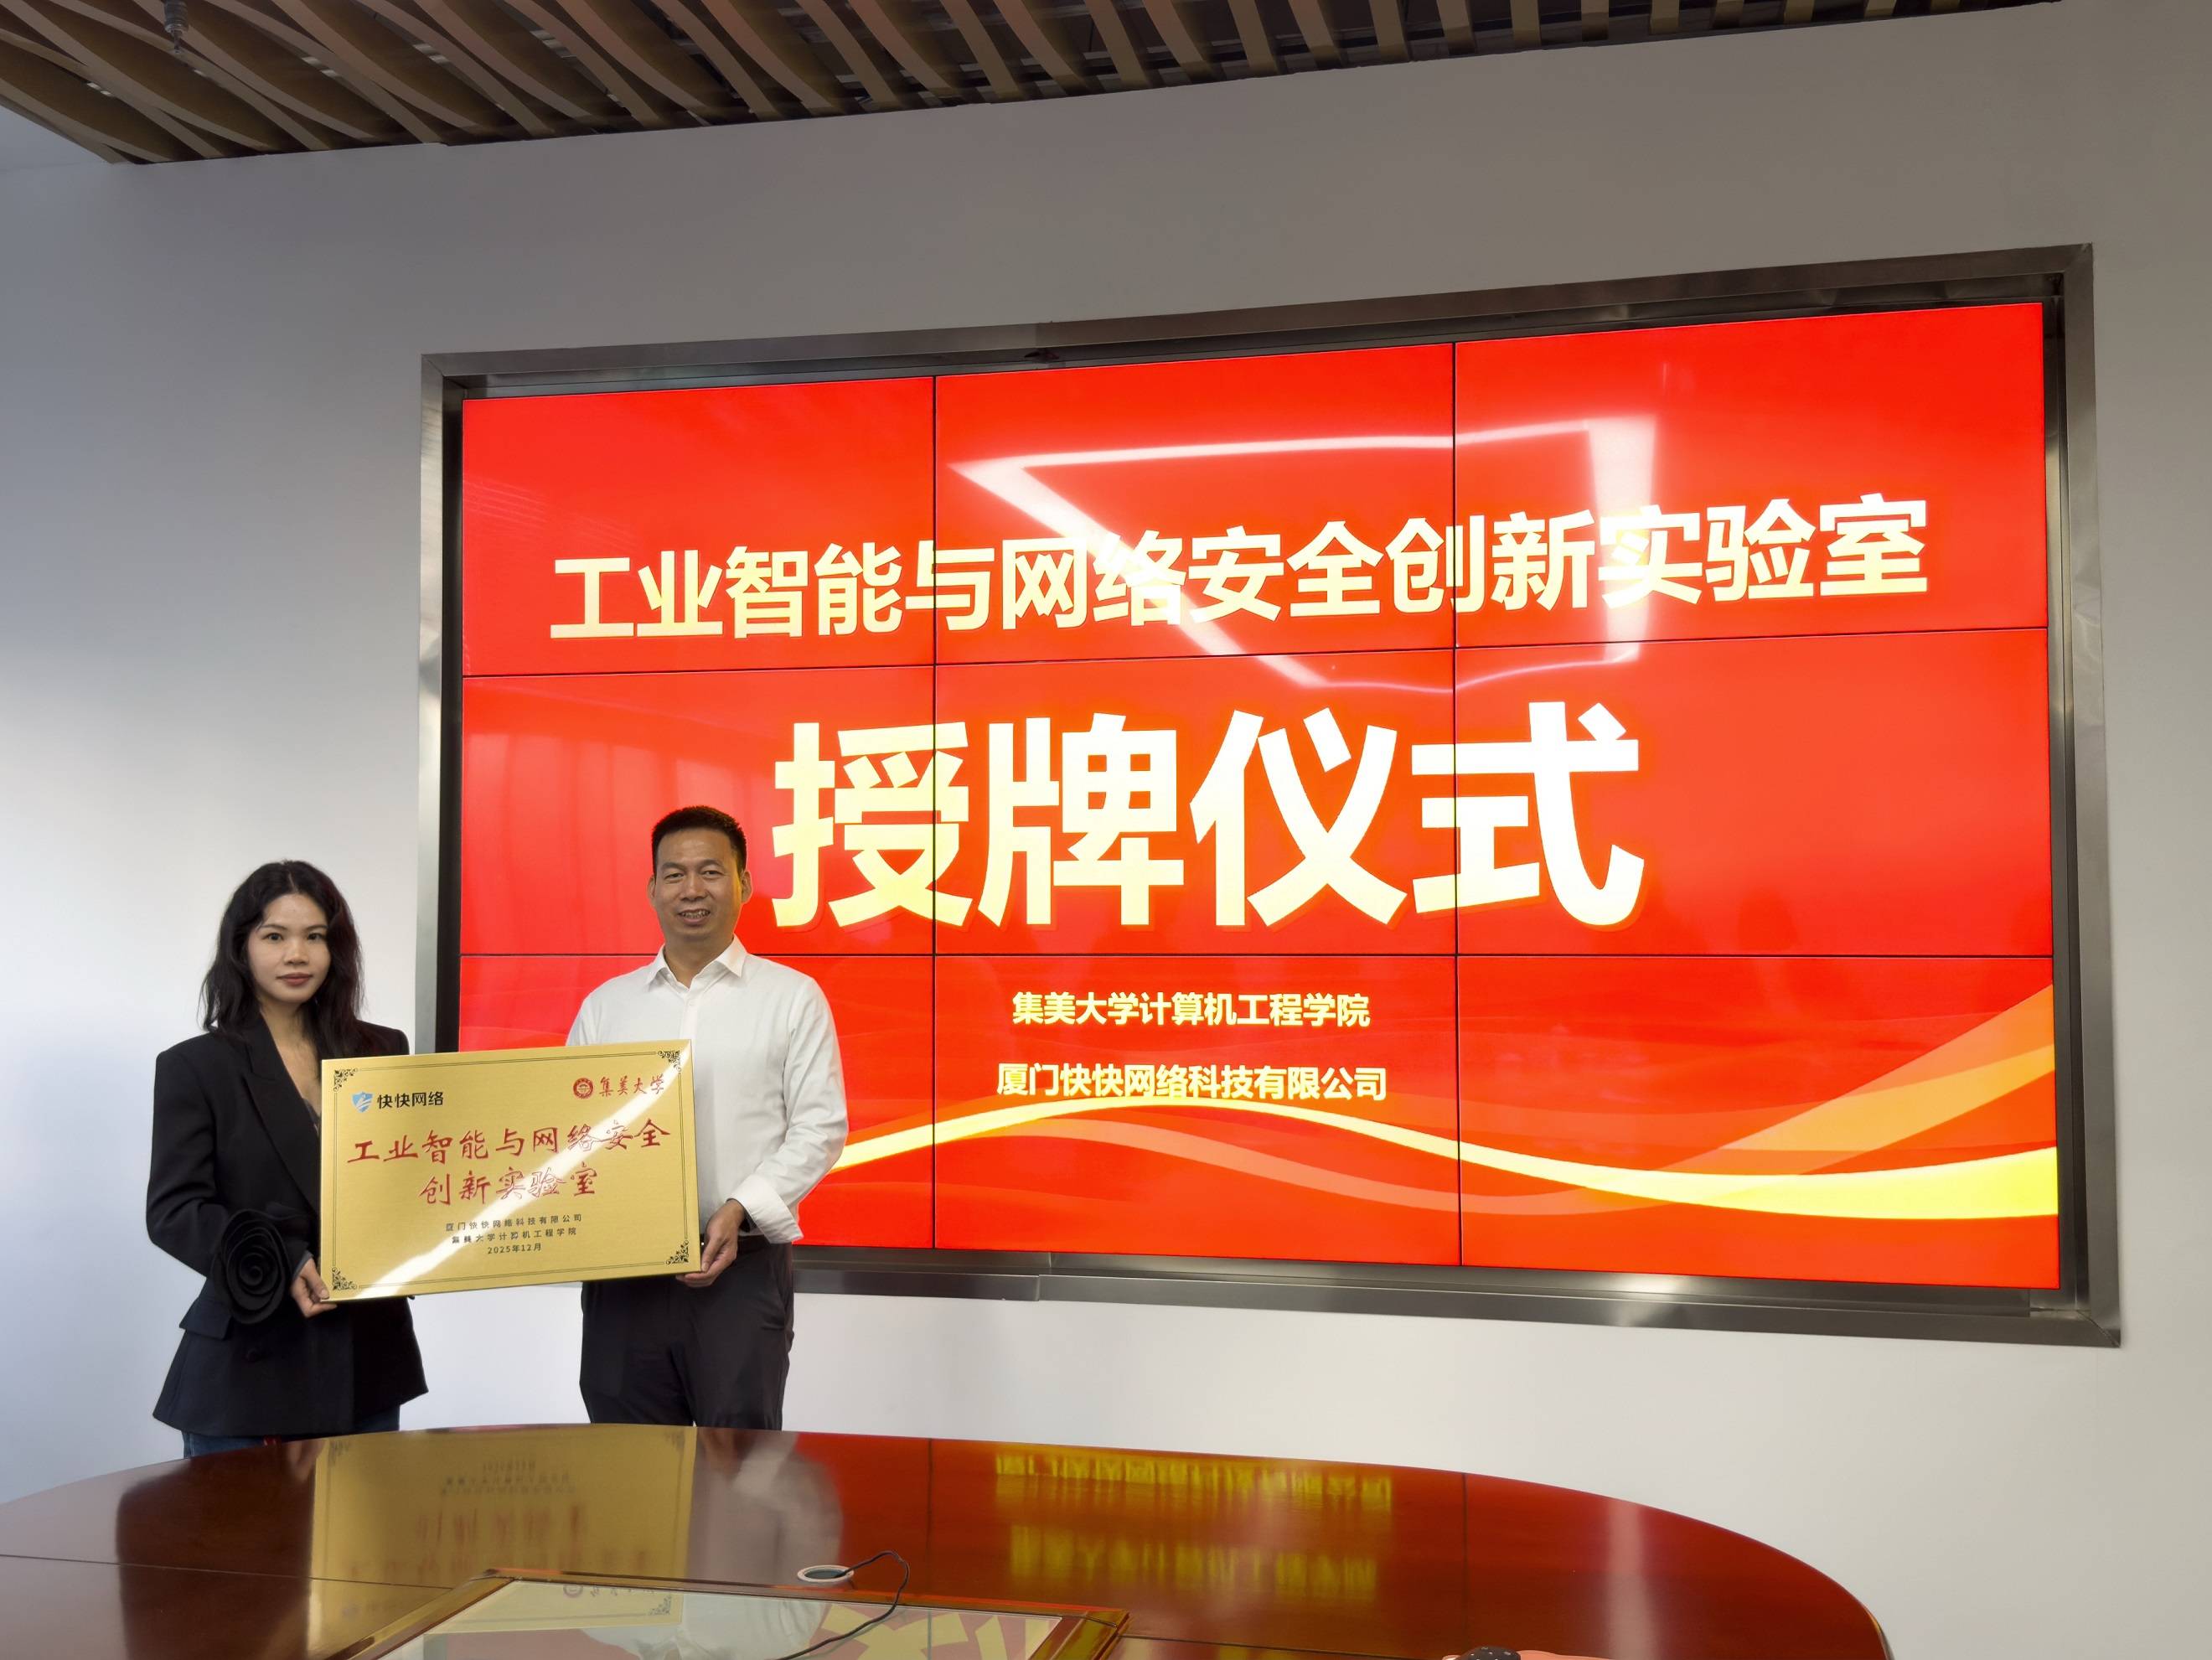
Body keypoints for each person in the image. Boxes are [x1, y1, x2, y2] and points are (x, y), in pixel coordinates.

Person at [566, 805, 848, 1430]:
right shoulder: (606, 1007)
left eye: (711, 872)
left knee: (736, 1464)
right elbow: (571, 1134)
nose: (691, 889)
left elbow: (820, 1126)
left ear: (743, 883)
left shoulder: (791, 997)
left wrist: (740, 1205)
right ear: (652, 889)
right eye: (674, 874)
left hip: (740, 1271)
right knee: (627, 1461)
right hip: (624, 1275)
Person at [147, 861, 426, 1454]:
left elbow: (410, 1179)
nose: (297, 954)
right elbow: (174, 1211)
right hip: (251, 1363)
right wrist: (285, 1257)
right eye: (275, 935)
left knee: (368, 1518)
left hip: (367, 1358)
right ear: (241, 946)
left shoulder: (383, 1049)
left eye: (315, 936)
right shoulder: (195, 1066)